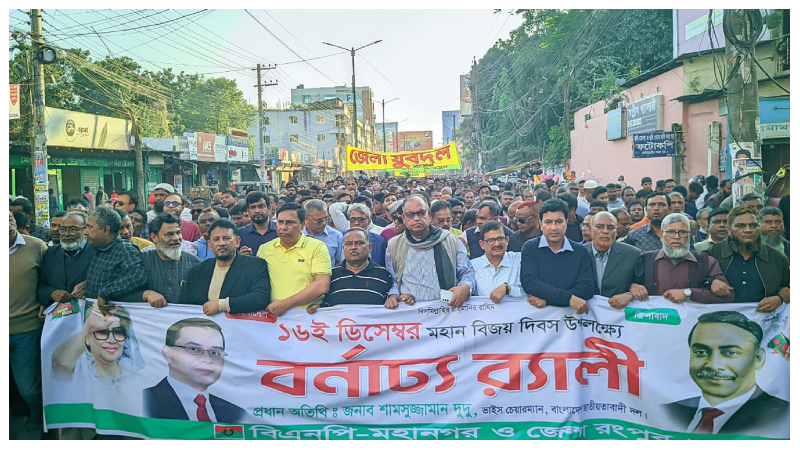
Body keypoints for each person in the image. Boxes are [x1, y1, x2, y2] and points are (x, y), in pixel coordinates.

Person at [660, 311, 788, 438]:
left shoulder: (784, 417)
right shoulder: (666, 412)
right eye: (700, 352)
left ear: (758, 359)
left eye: (731, 352)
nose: (713, 365)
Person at [143, 318, 245, 422]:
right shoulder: (142, 402)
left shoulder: (237, 413)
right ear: (167, 354)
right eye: (194, 349)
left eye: (214, 352)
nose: (207, 360)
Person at [385, 195, 475, 306]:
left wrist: (465, 287)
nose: (416, 218)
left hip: (447, 312)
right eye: (410, 215)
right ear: (403, 218)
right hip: (410, 314)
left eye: (421, 213)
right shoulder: (394, 245)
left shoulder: (451, 241)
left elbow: (467, 272)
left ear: (430, 215)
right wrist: (395, 295)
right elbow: (393, 281)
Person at [705, 206, 789, 313]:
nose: (748, 230)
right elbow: (696, 282)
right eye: (740, 226)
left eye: (753, 225)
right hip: (720, 322)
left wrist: (779, 299)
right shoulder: (712, 254)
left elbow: (787, 286)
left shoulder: (777, 258)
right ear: (729, 229)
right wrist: (711, 282)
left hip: (764, 323)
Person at [179, 218, 270, 315]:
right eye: (216, 239)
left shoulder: (255, 266)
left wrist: (221, 305)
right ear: (210, 245)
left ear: (237, 242)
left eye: (226, 238)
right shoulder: (199, 270)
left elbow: (261, 297)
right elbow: (185, 304)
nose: (221, 243)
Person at [9, 211, 48, 435]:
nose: (7, 225)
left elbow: (47, 279)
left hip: (27, 330)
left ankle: (38, 420)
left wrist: (45, 299)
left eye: (10, 219)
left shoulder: (37, 246)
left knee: (29, 389)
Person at [520, 199, 595, 314]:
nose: (554, 227)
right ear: (541, 224)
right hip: (539, 318)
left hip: (571, 319)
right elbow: (530, 282)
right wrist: (569, 299)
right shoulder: (531, 248)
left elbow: (586, 287)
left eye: (559, 222)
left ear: (567, 223)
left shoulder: (580, 251)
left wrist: (549, 301)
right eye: (548, 222)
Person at [257, 203, 331, 316]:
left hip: (306, 317)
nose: (283, 227)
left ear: (302, 225)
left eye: (290, 223)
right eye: (280, 222)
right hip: (271, 316)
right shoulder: (264, 249)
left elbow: (322, 285)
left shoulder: (317, 247)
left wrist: (285, 305)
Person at [641, 213, 733, 304]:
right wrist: (633, 287)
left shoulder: (706, 262)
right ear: (661, 235)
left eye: (683, 232)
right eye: (670, 232)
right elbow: (629, 289)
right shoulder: (645, 260)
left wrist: (689, 293)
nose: (676, 237)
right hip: (657, 318)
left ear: (689, 236)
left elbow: (728, 296)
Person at [308, 227, 403, 312]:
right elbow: (326, 305)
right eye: (349, 244)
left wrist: (393, 298)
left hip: (372, 330)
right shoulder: (332, 275)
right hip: (340, 330)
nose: (353, 247)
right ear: (343, 248)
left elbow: (390, 305)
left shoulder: (384, 275)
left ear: (369, 247)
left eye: (359, 243)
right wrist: (318, 309)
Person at [51, 303, 141, 382]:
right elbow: (59, 364)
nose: (112, 340)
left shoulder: (135, 374)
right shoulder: (79, 373)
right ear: (87, 339)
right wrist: (88, 326)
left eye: (118, 331)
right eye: (102, 332)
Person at [82, 207, 148, 305]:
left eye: (90, 227)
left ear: (106, 230)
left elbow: (138, 276)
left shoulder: (124, 249)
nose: (85, 232)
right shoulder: (100, 247)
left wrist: (106, 292)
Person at [583, 212, 646, 309]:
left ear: (616, 231)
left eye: (610, 228)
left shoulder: (633, 255)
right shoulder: (578, 254)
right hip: (584, 316)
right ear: (591, 230)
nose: (605, 231)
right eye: (599, 227)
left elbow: (642, 288)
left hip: (619, 315)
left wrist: (630, 295)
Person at [141, 213, 201, 307]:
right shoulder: (142, 260)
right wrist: (147, 294)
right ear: (154, 237)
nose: (176, 238)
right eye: (169, 234)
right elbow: (126, 292)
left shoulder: (195, 264)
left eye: (178, 233)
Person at [37, 212, 96, 307]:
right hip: (58, 317)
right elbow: (41, 286)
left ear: (86, 230)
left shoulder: (97, 252)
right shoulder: (50, 253)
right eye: (63, 229)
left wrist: (90, 288)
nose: (66, 234)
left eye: (73, 230)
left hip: (89, 315)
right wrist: (51, 293)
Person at [471, 221, 524, 303]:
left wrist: (509, 289)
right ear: (482, 244)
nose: (496, 244)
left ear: (507, 240)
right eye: (491, 240)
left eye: (500, 239)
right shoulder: (473, 266)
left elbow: (531, 293)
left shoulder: (519, 260)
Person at [303, 199, 344, 267]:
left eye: (326, 219)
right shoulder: (296, 235)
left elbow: (340, 262)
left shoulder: (336, 236)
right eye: (319, 220)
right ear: (306, 219)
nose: (324, 223)